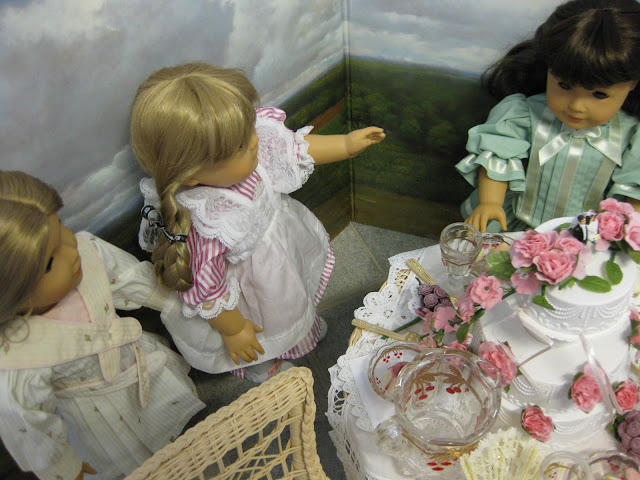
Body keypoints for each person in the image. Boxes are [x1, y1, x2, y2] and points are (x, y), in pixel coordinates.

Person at [130, 62, 385, 382]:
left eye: (249, 128)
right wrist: (234, 330)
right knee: (265, 320)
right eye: (240, 145)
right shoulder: (209, 220)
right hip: (253, 283)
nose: (254, 142)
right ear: (192, 174)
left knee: (294, 293)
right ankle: (261, 361)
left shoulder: (251, 149)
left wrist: (345, 145)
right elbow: (208, 288)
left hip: (281, 248)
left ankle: (300, 328)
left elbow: (295, 150)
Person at [0, 171, 205, 480]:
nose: (71, 250)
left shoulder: (87, 252)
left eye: (61, 226)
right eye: (50, 263)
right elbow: (27, 424)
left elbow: (134, 281)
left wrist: (191, 305)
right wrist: (61, 465)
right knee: (136, 466)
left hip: (139, 369)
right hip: (100, 420)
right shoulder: (17, 357)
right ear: (12, 294)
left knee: (182, 429)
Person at [456, 0, 640, 233]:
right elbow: (499, 158)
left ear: (632, 82)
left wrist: (628, 229)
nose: (577, 106)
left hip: (587, 236)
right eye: (564, 85)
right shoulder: (523, 114)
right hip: (520, 224)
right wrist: (490, 203)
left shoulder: (632, 137)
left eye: (600, 94)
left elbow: (635, 194)